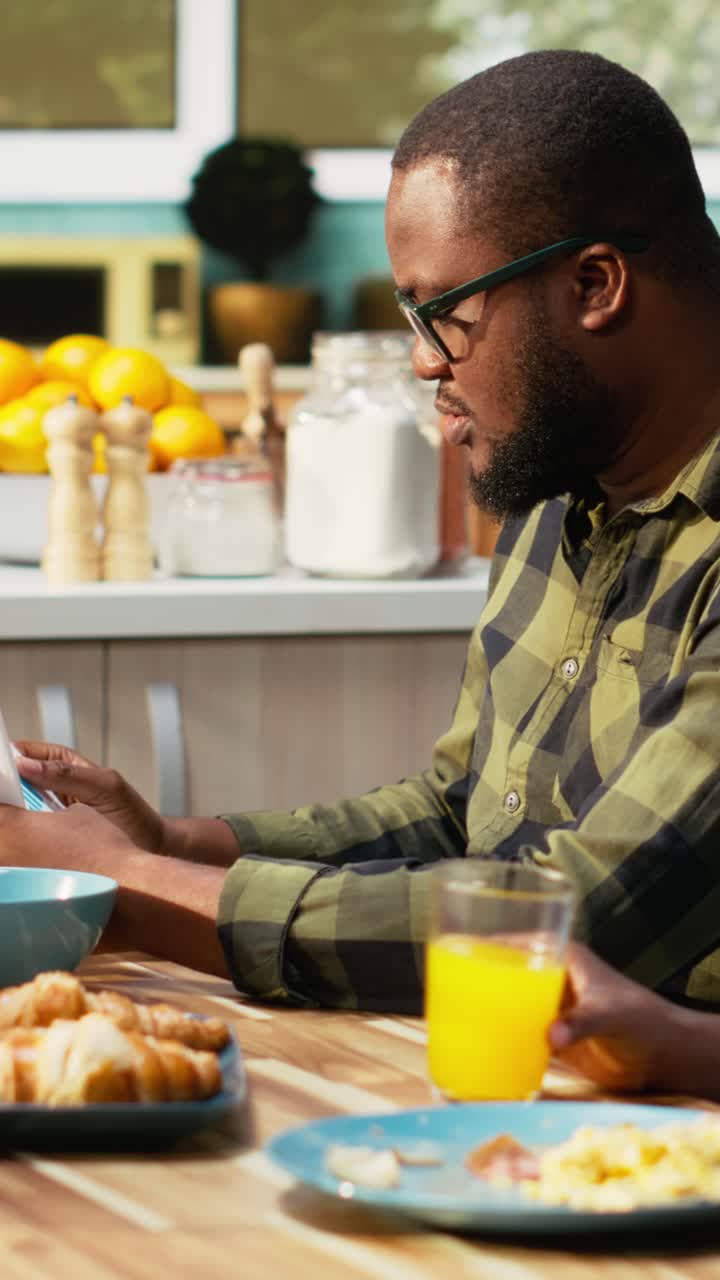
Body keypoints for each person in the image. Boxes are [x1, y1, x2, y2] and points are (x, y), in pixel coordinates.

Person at [3, 47, 720, 1062]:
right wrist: (171, 841)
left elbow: (570, 921)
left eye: (448, 314)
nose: (424, 360)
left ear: (595, 284)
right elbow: (459, 815)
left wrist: (127, 883)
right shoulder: (566, 480)